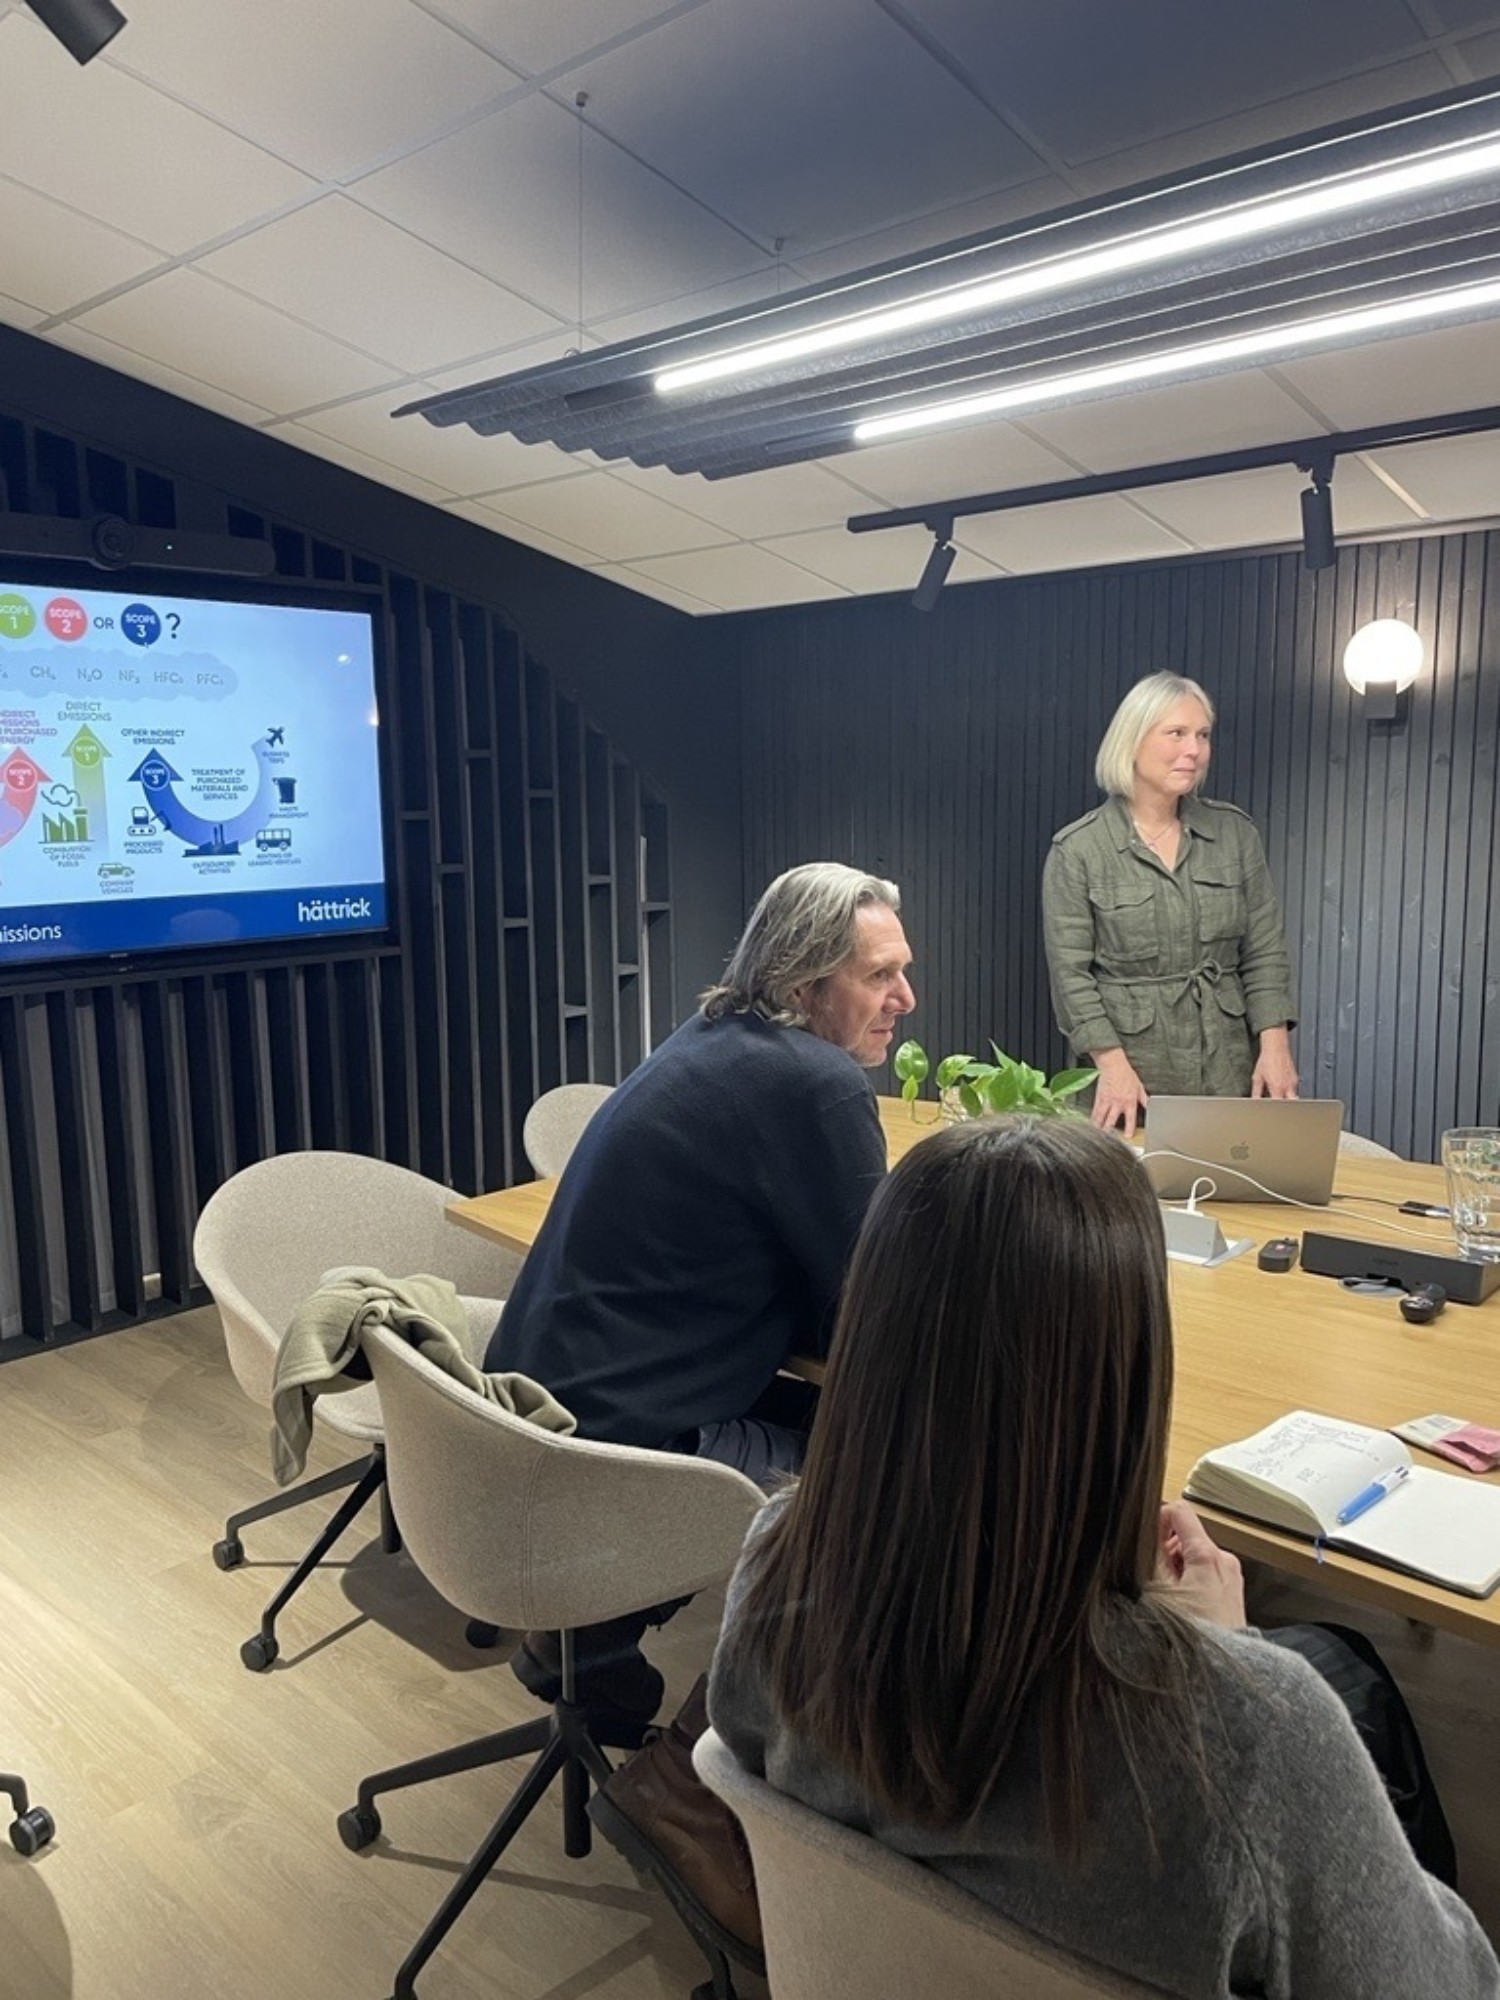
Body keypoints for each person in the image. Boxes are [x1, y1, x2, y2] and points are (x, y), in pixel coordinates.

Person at [709, 1118, 1495, 2000]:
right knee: (1344, 1673)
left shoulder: (771, 1573)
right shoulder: (1259, 1736)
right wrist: (1230, 1660)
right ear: (1131, 1362)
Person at [485, 860, 915, 1737]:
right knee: (900, 1454)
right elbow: (871, 1313)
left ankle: (592, 1627)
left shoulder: (714, 1034)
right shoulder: (817, 1082)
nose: (906, 996)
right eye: (879, 975)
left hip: (541, 1412)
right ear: (805, 983)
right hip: (627, 1443)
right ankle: (762, 1738)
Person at [1042, 671, 1298, 1138]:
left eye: (1202, 735)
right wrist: (1110, 1064)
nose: (1194, 750)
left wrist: (1275, 1046)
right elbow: (1071, 979)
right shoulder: (1078, 850)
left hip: (1227, 1071)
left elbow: (1264, 952)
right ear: (1132, 740)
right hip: (1130, 1080)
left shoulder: (1235, 835)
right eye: (1176, 733)